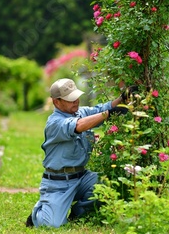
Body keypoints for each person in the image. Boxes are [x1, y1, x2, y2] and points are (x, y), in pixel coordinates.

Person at [26, 78, 132, 228]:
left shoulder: (80, 112)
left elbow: (104, 108)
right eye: (70, 99)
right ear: (57, 102)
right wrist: (107, 114)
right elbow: (78, 126)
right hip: (58, 183)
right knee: (51, 225)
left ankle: (78, 213)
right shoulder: (54, 123)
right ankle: (39, 213)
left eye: (76, 96)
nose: (75, 101)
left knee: (107, 182)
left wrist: (123, 98)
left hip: (82, 178)